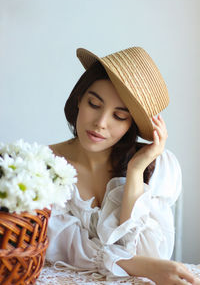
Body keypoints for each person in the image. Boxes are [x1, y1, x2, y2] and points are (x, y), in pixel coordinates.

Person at [46, 47, 199, 285]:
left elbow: (149, 256)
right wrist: (132, 264)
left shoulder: (157, 167)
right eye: (94, 104)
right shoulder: (40, 166)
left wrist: (135, 172)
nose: (100, 123)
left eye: (119, 116)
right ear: (79, 99)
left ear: (132, 125)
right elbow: (59, 248)